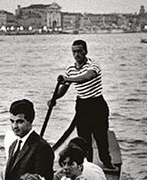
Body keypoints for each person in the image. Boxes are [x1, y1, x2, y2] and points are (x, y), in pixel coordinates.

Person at [49, 39, 115, 170]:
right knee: (84, 140)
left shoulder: (93, 65)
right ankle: (87, 166)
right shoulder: (70, 69)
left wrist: (67, 79)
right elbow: (63, 89)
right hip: (82, 106)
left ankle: (106, 162)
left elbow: (86, 77)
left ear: (86, 51)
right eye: (74, 52)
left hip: (97, 105)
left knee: (101, 136)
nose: (77, 54)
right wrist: (54, 98)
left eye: (80, 51)